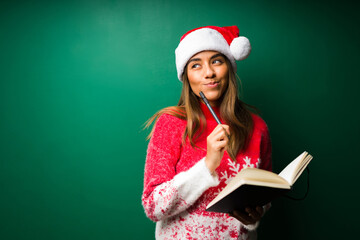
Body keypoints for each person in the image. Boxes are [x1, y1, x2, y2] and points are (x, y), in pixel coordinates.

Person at [142, 26, 272, 239]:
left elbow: (265, 195)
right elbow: (153, 206)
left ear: (229, 67)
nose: (209, 72)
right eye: (196, 65)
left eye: (216, 61)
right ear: (186, 76)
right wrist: (208, 164)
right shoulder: (171, 124)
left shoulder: (258, 127)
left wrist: (256, 214)